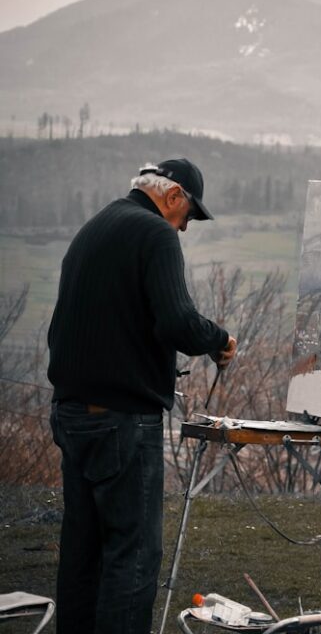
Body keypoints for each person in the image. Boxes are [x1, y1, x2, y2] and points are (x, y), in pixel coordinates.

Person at [48, 157, 237, 634]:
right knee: (132, 557)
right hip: (122, 421)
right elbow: (176, 320)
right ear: (173, 197)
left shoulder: (96, 227)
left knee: (82, 552)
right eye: (189, 216)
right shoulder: (154, 234)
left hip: (72, 415)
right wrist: (219, 340)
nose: (185, 228)